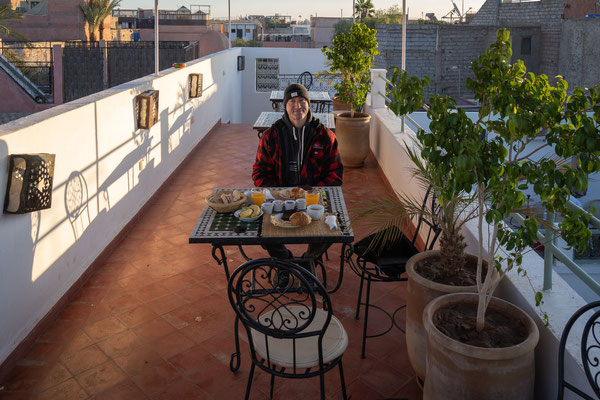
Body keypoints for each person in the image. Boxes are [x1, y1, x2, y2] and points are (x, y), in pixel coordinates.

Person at [252, 83, 343, 260]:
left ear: (309, 104)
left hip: (313, 198)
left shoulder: (325, 136)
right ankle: (285, 263)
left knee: (331, 229)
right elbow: (259, 171)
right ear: (285, 105)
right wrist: (277, 193)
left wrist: (314, 193)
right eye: (292, 101)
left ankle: (308, 261)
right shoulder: (271, 136)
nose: (297, 105)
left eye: (302, 100)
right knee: (263, 231)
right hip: (280, 199)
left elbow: (335, 174)